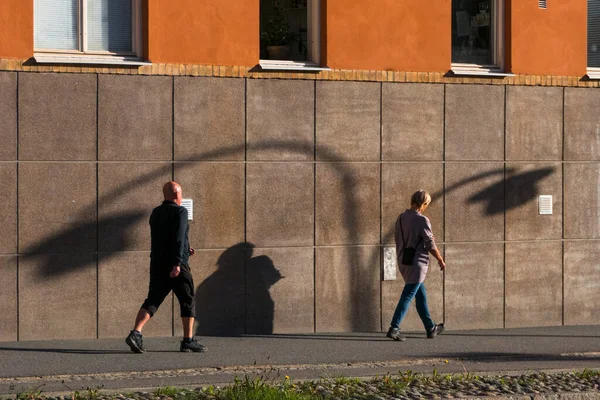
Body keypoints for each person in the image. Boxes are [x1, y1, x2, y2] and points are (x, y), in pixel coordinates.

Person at [125, 181, 206, 353]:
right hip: (177, 266)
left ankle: (136, 333)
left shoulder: (156, 213)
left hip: (158, 264)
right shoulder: (180, 211)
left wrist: (186, 248)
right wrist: (177, 262)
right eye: (181, 194)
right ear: (177, 195)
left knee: (152, 300)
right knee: (188, 300)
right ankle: (187, 340)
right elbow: (177, 237)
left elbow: (165, 238)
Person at [387, 189, 446, 342]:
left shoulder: (400, 218)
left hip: (404, 261)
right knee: (408, 295)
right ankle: (394, 327)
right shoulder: (422, 220)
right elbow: (430, 244)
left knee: (420, 295)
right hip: (417, 263)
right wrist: (440, 259)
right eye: (427, 204)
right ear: (423, 204)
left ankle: (430, 327)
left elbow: (398, 239)